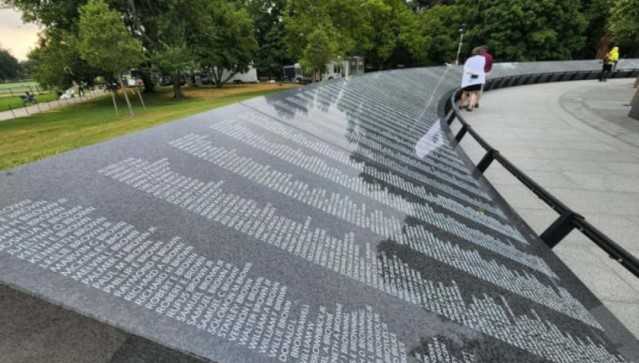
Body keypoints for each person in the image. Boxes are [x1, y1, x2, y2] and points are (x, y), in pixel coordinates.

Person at [460, 47, 486, 111]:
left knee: (465, 92)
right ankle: (470, 107)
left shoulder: (470, 59)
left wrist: (470, 72)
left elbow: (465, 68)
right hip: (478, 78)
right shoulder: (484, 59)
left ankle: (461, 105)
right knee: (474, 93)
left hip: (468, 79)